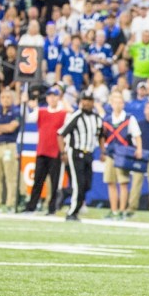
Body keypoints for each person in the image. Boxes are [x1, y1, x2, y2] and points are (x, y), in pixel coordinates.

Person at [57, 92, 104, 221]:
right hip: (76, 152)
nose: (87, 103)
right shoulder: (76, 116)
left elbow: (100, 135)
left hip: (89, 153)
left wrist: (103, 151)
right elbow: (60, 134)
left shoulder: (96, 118)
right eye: (85, 100)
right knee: (79, 183)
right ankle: (72, 212)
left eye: (89, 100)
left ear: (93, 102)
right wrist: (63, 152)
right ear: (81, 101)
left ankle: (66, 193)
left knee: (87, 185)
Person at [24, 87, 70, 215]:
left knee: (55, 183)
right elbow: (29, 117)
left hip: (55, 152)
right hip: (42, 151)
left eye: (54, 96)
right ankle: (31, 206)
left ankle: (51, 208)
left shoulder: (63, 114)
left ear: (58, 98)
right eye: (50, 96)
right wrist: (28, 105)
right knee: (38, 181)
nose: (52, 98)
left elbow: (70, 118)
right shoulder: (41, 111)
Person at [102, 92, 143, 220]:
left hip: (123, 154)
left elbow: (137, 135)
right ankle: (114, 210)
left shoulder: (129, 118)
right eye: (115, 102)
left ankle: (122, 210)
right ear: (111, 104)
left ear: (123, 104)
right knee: (111, 182)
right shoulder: (107, 119)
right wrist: (103, 151)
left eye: (120, 101)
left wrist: (139, 149)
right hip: (111, 153)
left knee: (123, 183)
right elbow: (103, 136)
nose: (117, 104)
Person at [0, 91, 20, 212]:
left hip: (9, 146)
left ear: (12, 99)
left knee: (10, 176)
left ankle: (10, 203)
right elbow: (8, 127)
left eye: (7, 97)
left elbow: (12, 127)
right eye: (2, 97)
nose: (5, 99)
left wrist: (2, 128)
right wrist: (5, 128)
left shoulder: (16, 111)